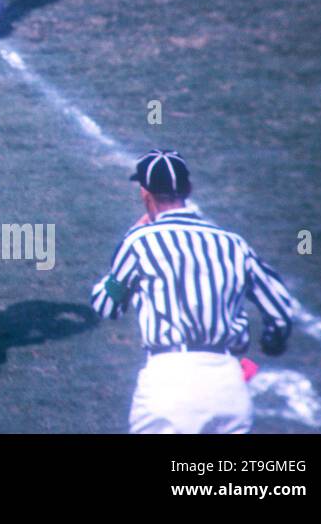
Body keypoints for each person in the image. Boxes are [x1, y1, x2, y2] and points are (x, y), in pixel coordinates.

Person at [90, 149, 294, 433]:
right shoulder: (233, 243)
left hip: (169, 383)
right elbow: (280, 308)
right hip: (228, 384)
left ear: (145, 194)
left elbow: (106, 305)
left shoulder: (138, 242)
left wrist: (119, 263)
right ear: (189, 189)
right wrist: (273, 343)